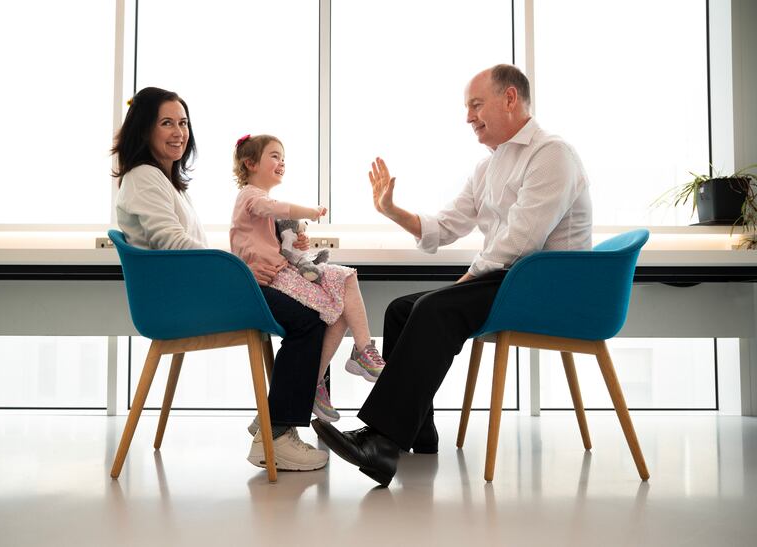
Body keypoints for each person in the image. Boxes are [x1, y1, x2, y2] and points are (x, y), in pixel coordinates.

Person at [312, 64, 593, 486]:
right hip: (511, 282)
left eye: (476, 105)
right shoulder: (488, 168)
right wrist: (391, 210)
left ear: (510, 98)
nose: (468, 117)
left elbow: (522, 239)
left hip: (547, 288)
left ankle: (382, 442)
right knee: (403, 310)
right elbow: (444, 227)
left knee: (434, 309)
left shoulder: (551, 155)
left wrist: (467, 280)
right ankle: (417, 434)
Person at [112, 87, 329, 473]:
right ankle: (276, 435)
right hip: (185, 303)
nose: (179, 132)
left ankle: (274, 422)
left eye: (183, 123)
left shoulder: (164, 180)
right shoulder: (144, 178)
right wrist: (241, 272)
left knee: (306, 309)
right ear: (144, 129)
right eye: (167, 123)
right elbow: (174, 245)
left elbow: (185, 247)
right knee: (309, 317)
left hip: (191, 293)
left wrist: (243, 268)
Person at [230, 134, 386, 434]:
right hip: (271, 279)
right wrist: (310, 212)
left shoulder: (262, 205)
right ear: (250, 163)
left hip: (283, 271)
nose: (281, 162)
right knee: (338, 296)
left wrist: (296, 240)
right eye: (274, 156)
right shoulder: (250, 196)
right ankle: (333, 371)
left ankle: (358, 353)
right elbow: (273, 208)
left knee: (343, 286)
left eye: (283, 157)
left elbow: (278, 238)